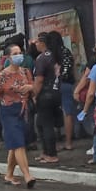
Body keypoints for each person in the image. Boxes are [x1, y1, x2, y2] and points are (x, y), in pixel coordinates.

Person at [0, 42, 36, 188]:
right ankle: (27, 175)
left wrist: (30, 87)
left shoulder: (25, 72)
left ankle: (9, 174)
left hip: (23, 111)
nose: (19, 56)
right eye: (15, 54)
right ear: (9, 57)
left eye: (19, 52)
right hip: (8, 112)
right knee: (18, 143)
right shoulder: (3, 75)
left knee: (14, 145)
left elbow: (34, 88)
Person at [31, 33, 62, 165]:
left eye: (37, 42)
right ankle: (45, 152)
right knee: (40, 123)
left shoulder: (42, 58)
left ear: (42, 43)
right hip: (55, 92)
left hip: (45, 94)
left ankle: (51, 154)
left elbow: (39, 80)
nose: (35, 44)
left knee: (46, 124)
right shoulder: (54, 56)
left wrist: (34, 94)